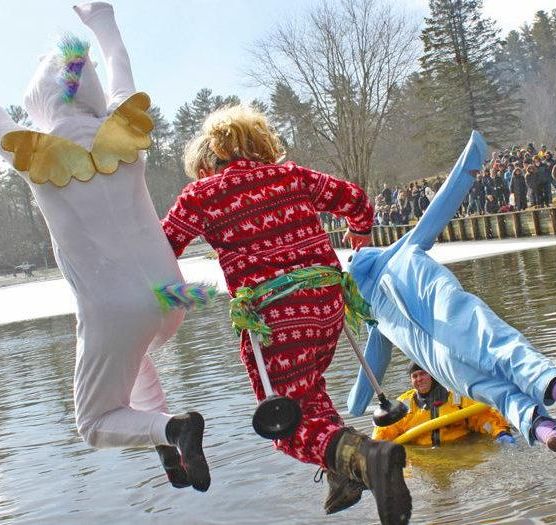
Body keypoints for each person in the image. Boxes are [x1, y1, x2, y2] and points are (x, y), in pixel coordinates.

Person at [0, 3, 219, 490]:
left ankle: (173, 431)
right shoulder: (125, 129)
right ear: (88, 89)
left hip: (116, 309)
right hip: (171, 295)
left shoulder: (33, 152)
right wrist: (100, 20)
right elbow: (118, 59)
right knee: (134, 356)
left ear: (38, 104)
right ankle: (170, 451)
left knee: (94, 423)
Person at [160, 104, 411, 524]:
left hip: (275, 315)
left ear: (212, 154)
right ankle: (343, 476)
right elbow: (357, 201)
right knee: (309, 393)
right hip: (328, 305)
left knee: (285, 424)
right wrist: (360, 236)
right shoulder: (293, 176)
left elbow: (161, 247)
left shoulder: (202, 195)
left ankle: (367, 457)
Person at [348, 132, 556, 467]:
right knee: (510, 354)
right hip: (458, 322)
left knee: (502, 395)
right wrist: (475, 153)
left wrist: (356, 406)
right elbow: (445, 201)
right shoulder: (404, 249)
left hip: (444, 368)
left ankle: (551, 434)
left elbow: (369, 374)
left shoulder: (375, 318)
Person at [373, 362, 514, 446]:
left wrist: (500, 433)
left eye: (423, 374)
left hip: (460, 451)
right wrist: (374, 450)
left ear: (433, 375)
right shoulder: (403, 406)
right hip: (423, 459)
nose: (419, 379)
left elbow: (484, 418)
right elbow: (384, 432)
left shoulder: (457, 396)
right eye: (414, 376)